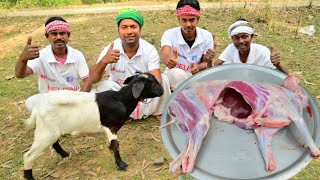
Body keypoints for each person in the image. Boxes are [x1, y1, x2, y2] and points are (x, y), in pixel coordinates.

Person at [88, 9, 170, 120]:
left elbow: (157, 78)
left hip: (144, 97)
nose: (129, 31)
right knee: (105, 86)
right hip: (121, 97)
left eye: (133, 27)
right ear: (118, 30)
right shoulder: (111, 49)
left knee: (164, 79)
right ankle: (122, 113)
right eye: (124, 27)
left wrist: (141, 92)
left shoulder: (149, 50)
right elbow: (92, 79)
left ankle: (158, 112)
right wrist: (104, 61)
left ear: (140, 30)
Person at [15, 16, 90, 112]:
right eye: (54, 34)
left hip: (74, 97)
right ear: (47, 36)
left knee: (93, 96)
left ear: (68, 35)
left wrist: (77, 101)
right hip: (50, 100)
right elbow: (20, 75)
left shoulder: (77, 55)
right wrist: (22, 59)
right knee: (31, 102)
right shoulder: (41, 56)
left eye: (62, 33)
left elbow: (88, 81)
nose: (59, 37)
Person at [160, 0, 216, 91]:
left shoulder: (206, 36)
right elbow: (164, 54)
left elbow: (205, 63)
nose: (188, 24)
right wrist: (168, 60)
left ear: (198, 19)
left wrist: (199, 66)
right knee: (176, 74)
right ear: (178, 19)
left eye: (192, 20)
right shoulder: (169, 34)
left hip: (195, 78)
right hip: (173, 79)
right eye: (184, 20)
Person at [214, 18, 289, 74]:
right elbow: (216, 67)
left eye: (244, 36)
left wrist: (278, 65)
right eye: (236, 37)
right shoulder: (231, 48)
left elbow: (285, 74)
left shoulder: (262, 51)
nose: (240, 41)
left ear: (252, 37)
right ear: (232, 39)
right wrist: (209, 60)